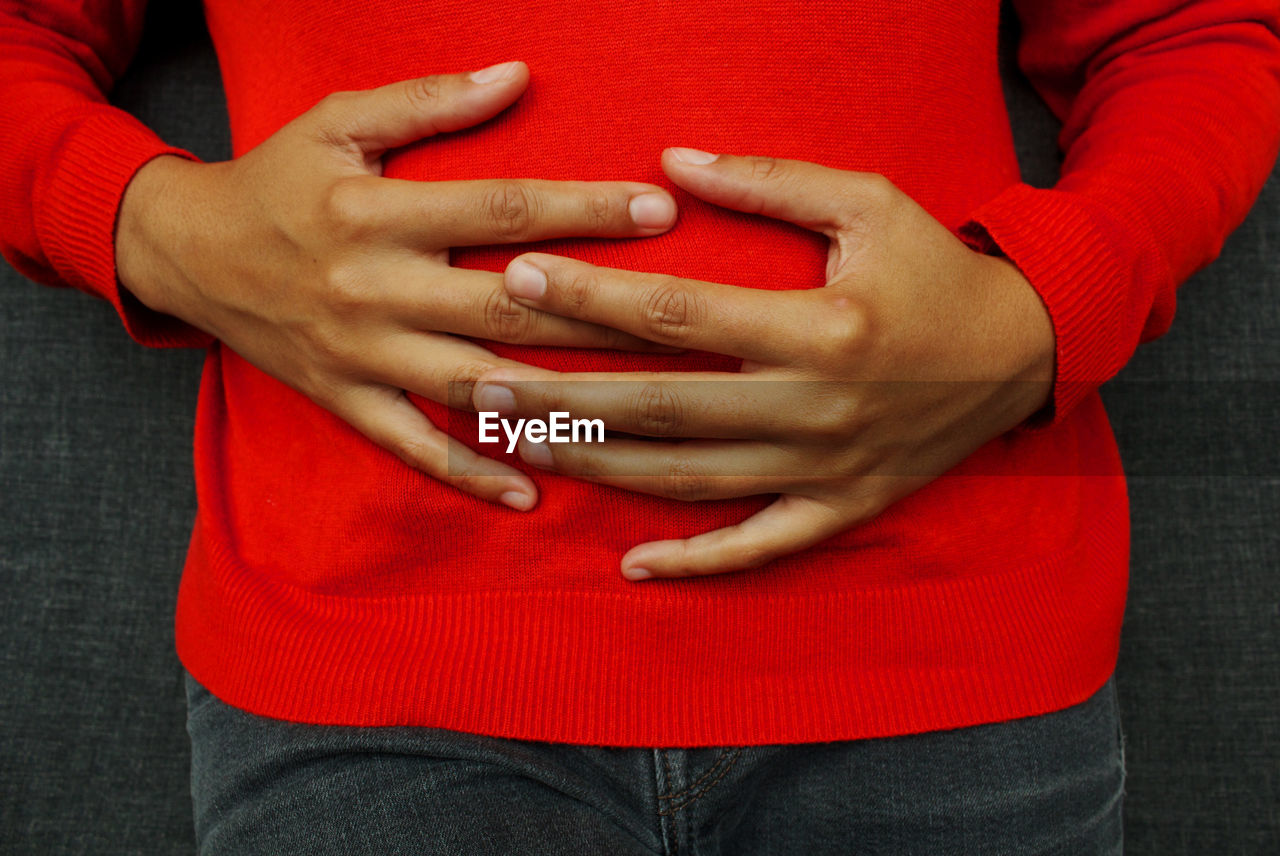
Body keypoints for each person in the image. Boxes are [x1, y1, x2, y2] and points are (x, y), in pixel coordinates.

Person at [1, 0, 1276, 853]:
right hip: (365, 668)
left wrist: (1045, 309)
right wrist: (159, 227)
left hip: (949, 662)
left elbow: (1196, 30)